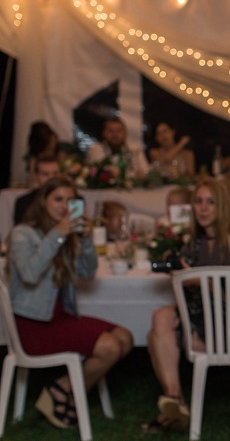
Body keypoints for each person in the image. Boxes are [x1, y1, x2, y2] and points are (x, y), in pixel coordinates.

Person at [7, 176, 134, 429]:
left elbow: (88, 272)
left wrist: (85, 239)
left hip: (60, 317)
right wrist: (57, 235)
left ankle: (61, 389)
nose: (64, 206)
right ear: (43, 202)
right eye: (58, 199)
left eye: (70, 200)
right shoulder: (23, 233)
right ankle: (65, 393)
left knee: (125, 338)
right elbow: (30, 274)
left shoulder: (65, 236)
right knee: (109, 347)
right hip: (31, 323)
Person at [143, 177, 230, 433]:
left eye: (210, 202)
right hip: (207, 320)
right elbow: (190, 291)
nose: (203, 208)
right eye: (198, 202)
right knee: (161, 319)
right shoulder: (195, 243)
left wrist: (200, 281)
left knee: (156, 334)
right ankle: (175, 400)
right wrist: (186, 284)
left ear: (221, 206)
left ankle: (175, 406)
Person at [13, 155, 61, 225]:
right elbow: (20, 232)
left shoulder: (74, 200)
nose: (51, 179)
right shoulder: (24, 202)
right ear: (36, 176)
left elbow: (77, 232)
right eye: (45, 174)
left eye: (55, 174)